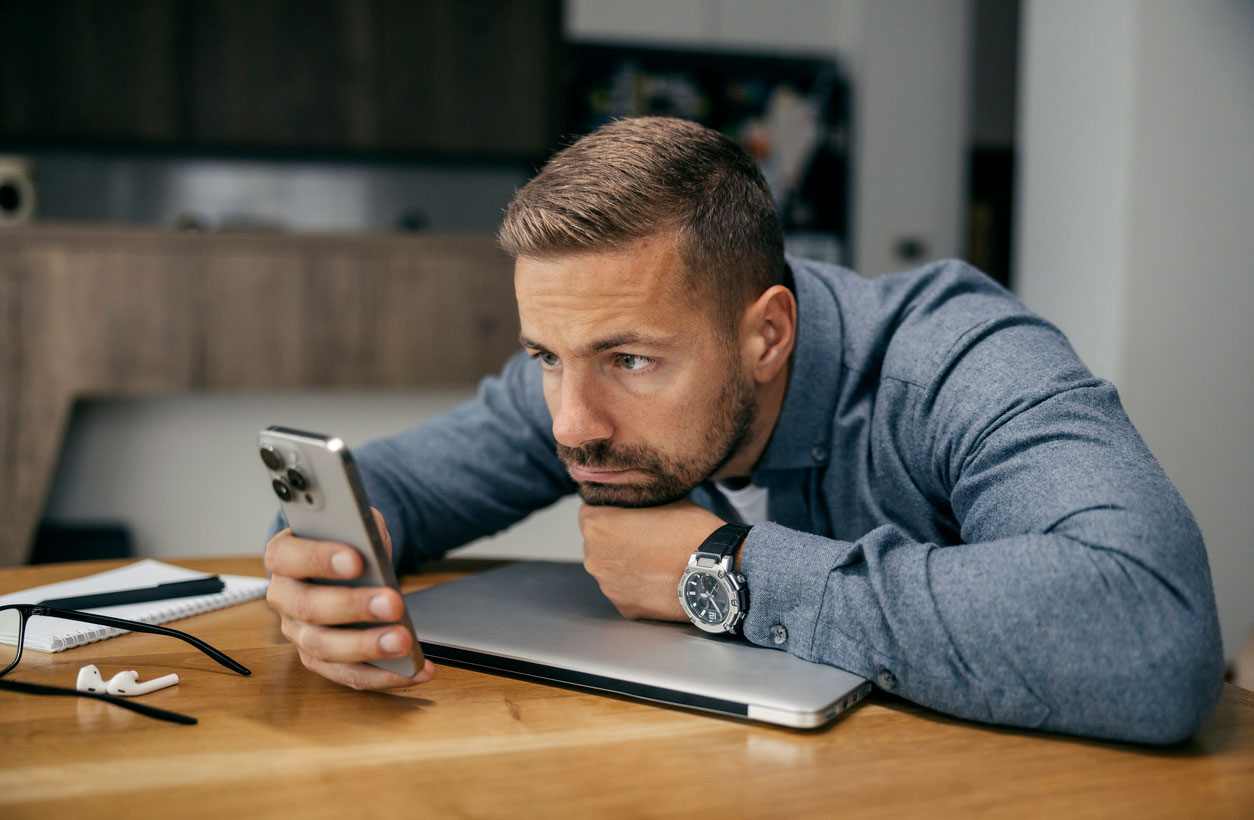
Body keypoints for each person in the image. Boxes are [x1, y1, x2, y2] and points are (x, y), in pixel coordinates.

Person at [264, 116, 1223, 745]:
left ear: (766, 334)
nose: (572, 424)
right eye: (546, 355)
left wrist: (723, 569)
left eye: (630, 361)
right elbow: (396, 487)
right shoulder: (583, 379)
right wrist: (328, 566)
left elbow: (1151, 629)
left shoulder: (958, 361)